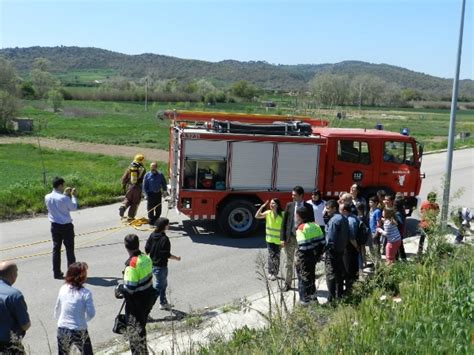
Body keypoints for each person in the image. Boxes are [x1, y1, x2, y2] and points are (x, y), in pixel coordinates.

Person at [116, 234, 155, 354]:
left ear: (126, 247)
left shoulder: (131, 266)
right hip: (147, 299)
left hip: (135, 305)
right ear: (138, 244)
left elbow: (130, 289)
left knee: (135, 334)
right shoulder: (146, 258)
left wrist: (119, 289)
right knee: (141, 329)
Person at [54, 262, 95, 355]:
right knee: (87, 352)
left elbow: (57, 308)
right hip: (79, 329)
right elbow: (91, 313)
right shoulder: (85, 293)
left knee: (63, 353)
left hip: (62, 327)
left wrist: (60, 320)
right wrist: (83, 320)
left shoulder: (63, 288)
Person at [280, 186, 314, 292]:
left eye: (294, 195)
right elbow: (284, 223)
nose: (292, 196)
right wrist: (282, 238)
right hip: (290, 238)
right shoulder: (289, 205)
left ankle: (302, 283)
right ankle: (287, 283)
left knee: (300, 262)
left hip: (302, 239)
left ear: (301, 195)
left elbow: (311, 223)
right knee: (288, 263)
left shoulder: (308, 207)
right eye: (292, 194)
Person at [45, 176, 78, 279]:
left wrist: (65, 194)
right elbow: (73, 207)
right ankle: (72, 273)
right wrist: (73, 196)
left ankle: (56, 272)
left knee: (56, 249)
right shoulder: (64, 198)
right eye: (62, 185)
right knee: (69, 249)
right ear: (60, 185)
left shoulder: (47, 197)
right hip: (66, 226)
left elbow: (59, 203)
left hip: (54, 225)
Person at [145, 218, 181, 310]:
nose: (169, 226)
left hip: (152, 265)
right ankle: (146, 309)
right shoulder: (165, 239)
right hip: (161, 267)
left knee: (163, 285)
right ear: (165, 226)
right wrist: (177, 258)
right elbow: (166, 255)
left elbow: (147, 249)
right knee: (158, 288)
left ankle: (163, 303)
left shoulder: (152, 235)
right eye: (168, 224)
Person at [294, 207, 325, 305]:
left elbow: (302, 247)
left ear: (301, 216)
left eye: (296, 215)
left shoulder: (301, 228)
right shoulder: (316, 225)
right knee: (311, 278)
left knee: (303, 279)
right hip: (314, 257)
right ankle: (313, 299)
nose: (295, 217)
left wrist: (299, 261)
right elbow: (322, 243)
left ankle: (304, 301)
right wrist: (318, 255)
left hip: (304, 259)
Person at [0, 261, 31, 354]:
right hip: (9, 345)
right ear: (12, 274)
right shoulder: (14, 295)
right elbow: (25, 325)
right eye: (16, 272)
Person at [324, 199, 349, 302]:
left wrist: (325, 250)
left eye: (328, 209)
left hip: (332, 252)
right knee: (339, 273)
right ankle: (339, 295)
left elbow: (330, 239)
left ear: (334, 208)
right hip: (341, 250)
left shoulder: (334, 220)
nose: (327, 211)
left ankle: (331, 299)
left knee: (330, 274)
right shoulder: (343, 218)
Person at [255, 199, 284, 281]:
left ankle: (275, 273)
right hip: (270, 239)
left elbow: (286, 227)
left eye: (273, 203)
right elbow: (257, 216)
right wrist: (262, 207)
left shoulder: (282, 214)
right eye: (271, 203)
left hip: (279, 240)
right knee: (271, 255)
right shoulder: (268, 213)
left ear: (277, 205)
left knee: (276, 256)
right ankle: (270, 272)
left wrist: (284, 239)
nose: (271, 204)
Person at [119, 154, 146, 221]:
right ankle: (130, 217)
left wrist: (123, 186)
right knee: (135, 202)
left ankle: (123, 206)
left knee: (128, 199)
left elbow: (124, 178)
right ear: (142, 160)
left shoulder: (130, 167)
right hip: (138, 187)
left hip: (130, 186)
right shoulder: (143, 169)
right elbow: (144, 179)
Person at [341, 202, 359, 294]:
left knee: (349, 270)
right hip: (350, 248)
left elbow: (351, 237)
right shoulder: (352, 217)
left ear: (344, 210)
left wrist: (356, 247)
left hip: (350, 249)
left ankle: (350, 291)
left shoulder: (350, 220)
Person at [143, 162, 168, 226]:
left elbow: (163, 183)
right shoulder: (147, 175)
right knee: (150, 208)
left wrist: (165, 191)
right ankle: (151, 221)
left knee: (158, 208)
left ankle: (157, 220)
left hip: (158, 194)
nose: (152, 169)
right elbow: (144, 186)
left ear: (156, 168)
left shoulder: (160, 174)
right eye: (151, 167)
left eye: (154, 167)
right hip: (150, 194)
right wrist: (145, 194)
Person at [368, 196, 382, 263]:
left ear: (376, 203)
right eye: (369, 202)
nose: (369, 203)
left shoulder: (377, 211)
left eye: (371, 202)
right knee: (371, 248)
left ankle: (377, 264)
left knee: (376, 249)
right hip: (370, 231)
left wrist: (376, 233)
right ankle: (374, 262)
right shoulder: (371, 210)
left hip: (374, 232)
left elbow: (379, 223)